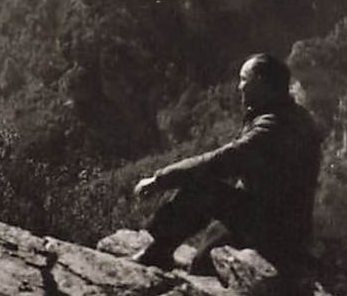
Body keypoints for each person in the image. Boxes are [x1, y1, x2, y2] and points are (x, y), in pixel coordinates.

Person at [131, 53, 323, 274]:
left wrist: (160, 179)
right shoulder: (288, 114)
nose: (239, 86)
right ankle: (171, 256)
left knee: (201, 188)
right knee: (202, 263)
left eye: (244, 79)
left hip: (273, 227)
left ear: (260, 83)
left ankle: (158, 253)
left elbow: (222, 161)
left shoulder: (272, 127)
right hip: (282, 221)